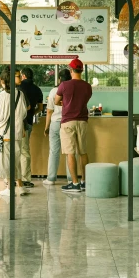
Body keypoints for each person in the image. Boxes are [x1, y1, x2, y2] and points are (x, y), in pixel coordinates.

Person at [55, 58, 93, 192]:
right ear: (81, 70)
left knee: (70, 153)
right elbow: (85, 100)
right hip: (82, 122)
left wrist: (64, 102)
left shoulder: (64, 85)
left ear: (71, 70)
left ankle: (75, 184)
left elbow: (56, 100)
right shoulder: (87, 86)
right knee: (83, 152)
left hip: (68, 122)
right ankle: (84, 182)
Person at [0, 69, 29, 197]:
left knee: (7, 161)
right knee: (17, 160)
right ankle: (20, 187)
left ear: (3, 81)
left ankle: (9, 188)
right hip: (18, 132)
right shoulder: (20, 94)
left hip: (6, 133)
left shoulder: (1, 96)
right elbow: (24, 113)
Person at [43, 69, 74, 185]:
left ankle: (51, 178)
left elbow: (49, 111)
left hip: (55, 123)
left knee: (54, 151)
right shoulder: (72, 89)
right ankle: (71, 178)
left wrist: (46, 127)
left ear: (59, 79)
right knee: (70, 151)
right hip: (68, 123)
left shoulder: (53, 91)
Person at [17, 67, 43, 188]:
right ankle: (25, 178)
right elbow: (41, 107)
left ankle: (16, 179)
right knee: (25, 151)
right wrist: (33, 112)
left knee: (15, 151)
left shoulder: (18, 88)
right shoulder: (37, 89)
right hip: (28, 122)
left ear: (23, 76)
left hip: (17, 123)